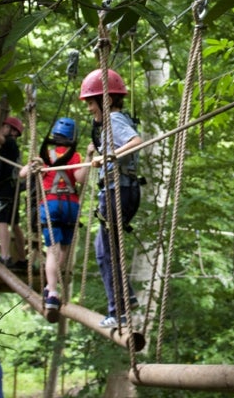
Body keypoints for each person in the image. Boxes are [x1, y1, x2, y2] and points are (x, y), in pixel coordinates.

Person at [80, 68, 143, 328]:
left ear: (105, 101)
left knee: (106, 252)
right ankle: (124, 300)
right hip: (121, 189)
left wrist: (107, 157)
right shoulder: (114, 121)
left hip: (119, 191)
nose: (89, 109)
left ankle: (119, 311)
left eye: (91, 103)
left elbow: (137, 141)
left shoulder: (114, 120)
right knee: (104, 250)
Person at [19, 117, 86, 323]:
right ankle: (51, 286)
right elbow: (81, 178)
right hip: (71, 206)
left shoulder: (45, 155)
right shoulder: (75, 156)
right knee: (63, 248)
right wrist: (89, 159)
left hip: (51, 205)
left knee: (53, 250)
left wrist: (35, 165)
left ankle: (53, 291)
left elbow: (22, 174)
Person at [0, 103, 26, 268]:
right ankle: (22, 259)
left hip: (5, 189)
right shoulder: (11, 148)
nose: (2, 128)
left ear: (13, 132)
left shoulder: (10, 143)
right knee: (15, 223)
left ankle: (5, 256)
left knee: (2, 220)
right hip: (12, 189)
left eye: (5, 127)